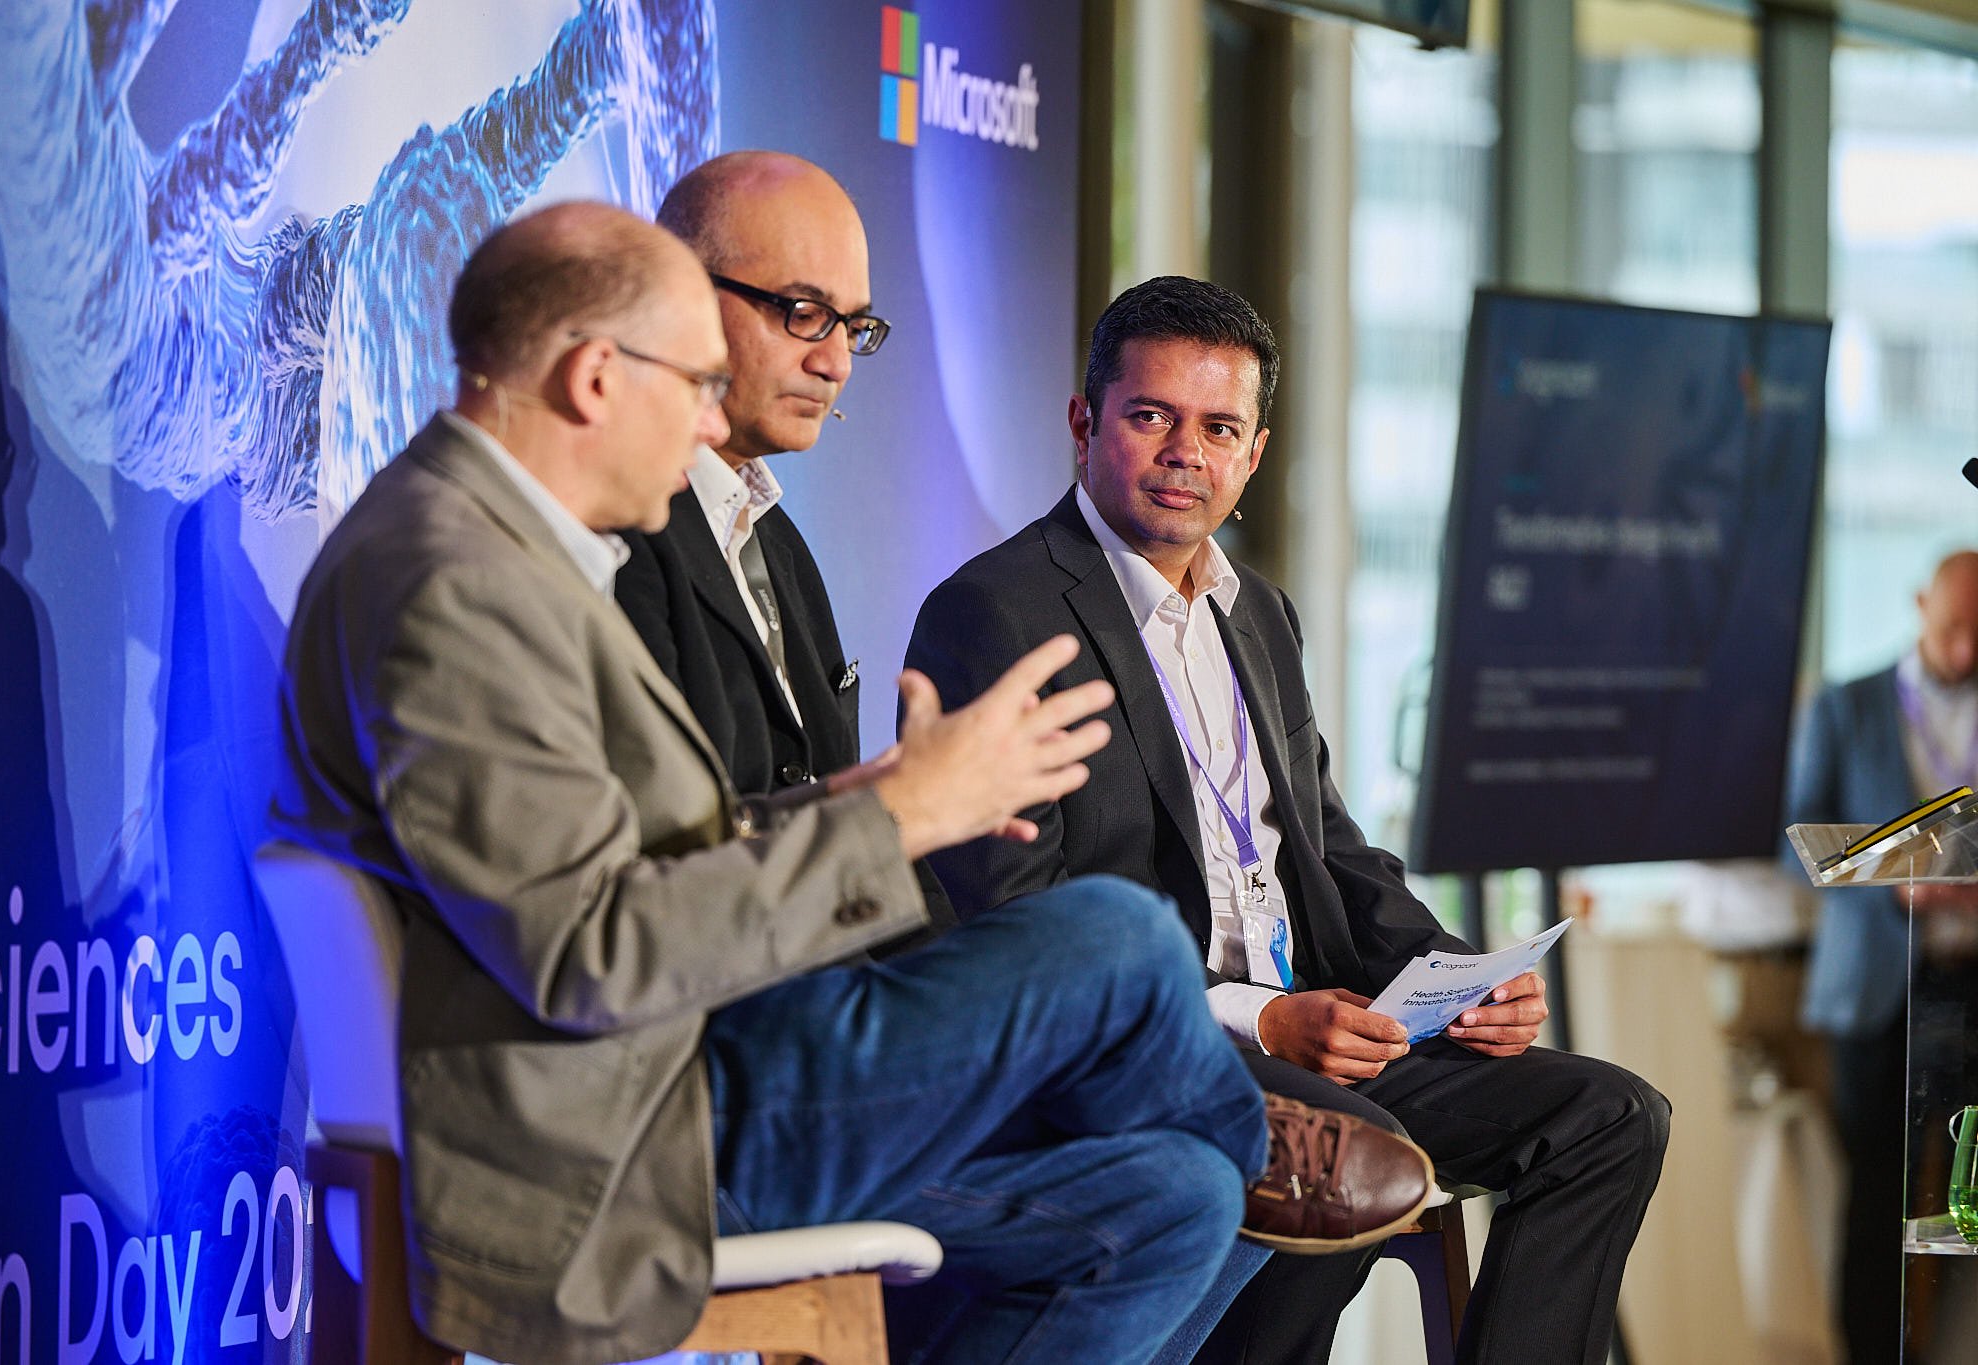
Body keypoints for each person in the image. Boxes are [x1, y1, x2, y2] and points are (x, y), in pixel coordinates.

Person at [267, 207, 1430, 1365]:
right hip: (616, 1149)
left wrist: (861, 799)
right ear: (592, 378)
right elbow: (590, 955)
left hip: (666, 1089)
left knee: (1176, 1196)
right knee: (1117, 939)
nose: (703, 427)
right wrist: (895, 821)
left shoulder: (490, 554)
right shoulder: (454, 585)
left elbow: (621, 863)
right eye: (694, 385)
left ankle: (1227, 1143)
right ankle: (1245, 1129)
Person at [906, 275, 1672, 1365]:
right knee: (1356, 1151)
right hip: (1156, 1041)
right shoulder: (998, 613)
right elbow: (1017, 917)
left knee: (1609, 1118)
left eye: (1217, 427)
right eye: (1149, 416)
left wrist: (1461, 982)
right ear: (1083, 424)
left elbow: (1328, 850)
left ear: (1252, 453)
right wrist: (1261, 1022)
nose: (1185, 451)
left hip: (1325, 1032)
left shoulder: (1257, 613)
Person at [614, 151, 877, 798]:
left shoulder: (781, 544)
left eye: (854, 325)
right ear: (684, 294)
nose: (836, 362)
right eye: (804, 311)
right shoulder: (612, 531)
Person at [1787, 549, 1978, 1364]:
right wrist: (1896, 875)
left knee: (1968, 1205)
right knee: (1875, 1202)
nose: (1967, 650)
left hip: (1972, 986)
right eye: (1955, 628)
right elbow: (1795, 842)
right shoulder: (1847, 703)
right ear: (1919, 605)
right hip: (1878, 991)